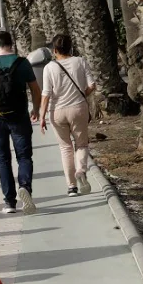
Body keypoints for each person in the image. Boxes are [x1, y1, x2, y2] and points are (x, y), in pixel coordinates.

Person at [0, 30, 43, 214]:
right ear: (11, 45)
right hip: (20, 116)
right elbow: (35, 90)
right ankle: (25, 188)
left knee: (3, 160)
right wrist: (36, 109)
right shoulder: (22, 63)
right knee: (24, 156)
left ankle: (9, 203)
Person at [39, 32, 96, 197]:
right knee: (81, 144)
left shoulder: (49, 67)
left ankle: (71, 187)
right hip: (78, 108)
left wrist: (42, 116)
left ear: (54, 49)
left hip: (57, 111)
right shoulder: (80, 61)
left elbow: (46, 94)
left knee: (65, 148)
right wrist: (81, 94)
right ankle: (81, 170)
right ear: (70, 47)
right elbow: (92, 85)